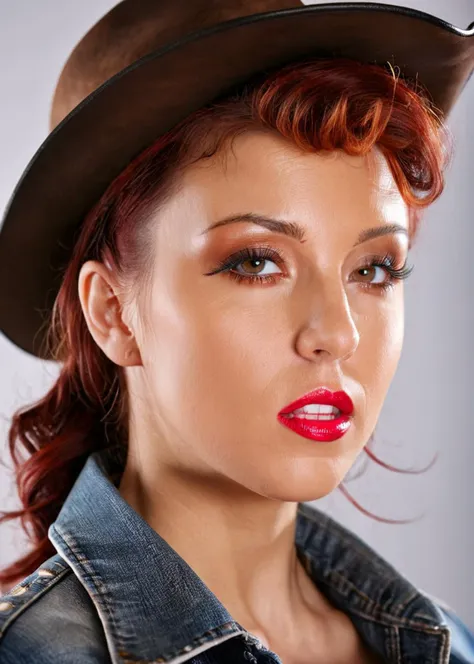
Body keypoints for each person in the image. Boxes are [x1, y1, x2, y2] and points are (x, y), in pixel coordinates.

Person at [0, 1, 473, 662]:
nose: (335, 333)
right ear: (111, 312)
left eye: (374, 269)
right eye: (257, 262)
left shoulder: (449, 645)